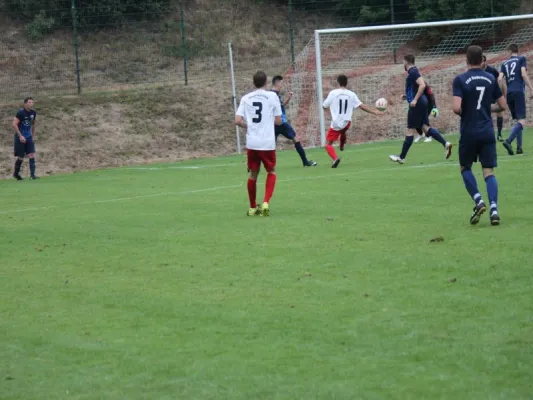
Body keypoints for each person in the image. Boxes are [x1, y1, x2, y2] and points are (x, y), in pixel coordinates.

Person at [452, 45, 507, 226]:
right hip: (487, 131)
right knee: (488, 172)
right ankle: (494, 209)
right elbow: (502, 106)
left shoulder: (460, 80)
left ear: (466, 60)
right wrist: (486, 108)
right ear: (482, 60)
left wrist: (469, 111)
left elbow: (456, 108)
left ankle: (478, 200)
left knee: (465, 168)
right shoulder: (490, 78)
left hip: (469, 131)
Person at [389, 55, 452, 164]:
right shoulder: (412, 72)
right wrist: (407, 96)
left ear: (406, 61)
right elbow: (416, 87)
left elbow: (422, 85)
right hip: (421, 103)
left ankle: (402, 157)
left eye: (403, 62)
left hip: (417, 105)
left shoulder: (413, 71)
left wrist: (414, 100)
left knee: (410, 129)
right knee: (426, 128)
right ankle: (446, 144)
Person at [235, 71, 282, 217]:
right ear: (266, 82)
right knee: (271, 171)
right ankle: (266, 202)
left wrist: (248, 126)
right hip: (267, 142)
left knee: (253, 174)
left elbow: (237, 120)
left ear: (253, 83)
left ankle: (253, 207)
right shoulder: (272, 96)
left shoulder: (246, 98)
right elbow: (279, 121)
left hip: (252, 143)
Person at [322, 74, 383, 168]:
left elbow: (324, 106)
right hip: (347, 122)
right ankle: (342, 145)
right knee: (343, 131)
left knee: (328, 144)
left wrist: (329, 111)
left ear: (338, 83)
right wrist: (374, 112)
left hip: (336, 123)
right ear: (346, 83)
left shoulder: (333, 93)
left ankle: (335, 159)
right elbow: (361, 106)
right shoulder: (351, 94)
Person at [271, 76, 317, 167]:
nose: (282, 85)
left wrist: (288, 98)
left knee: (270, 145)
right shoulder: (274, 95)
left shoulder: (272, 94)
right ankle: (305, 162)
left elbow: (281, 106)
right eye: (281, 83)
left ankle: (257, 165)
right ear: (277, 83)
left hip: (273, 123)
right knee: (295, 139)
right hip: (281, 122)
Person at [498, 44, 533, 155]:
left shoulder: (504, 63)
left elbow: (499, 79)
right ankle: (508, 141)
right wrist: (531, 88)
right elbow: (523, 74)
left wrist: (501, 93)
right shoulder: (521, 59)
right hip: (518, 92)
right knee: (522, 121)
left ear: (509, 51)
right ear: (517, 51)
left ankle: (519, 148)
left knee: (518, 120)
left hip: (509, 94)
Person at [13, 97, 38, 180]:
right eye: (29, 102)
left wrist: (32, 136)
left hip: (29, 137)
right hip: (20, 137)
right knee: (20, 156)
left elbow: (34, 124)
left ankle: (32, 175)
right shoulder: (20, 113)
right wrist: (20, 136)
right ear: (25, 104)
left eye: (32, 102)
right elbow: (14, 124)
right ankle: (16, 174)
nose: (31, 104)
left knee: (32, 154)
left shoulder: (33, 113)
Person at [482, 55, 505, 142]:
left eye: (482, 61)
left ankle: (499, 134)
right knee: (486, 114)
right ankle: (487, 134)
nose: (481, 63)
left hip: (493, 95)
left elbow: (501, 80)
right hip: (484, 96)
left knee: (499, 113)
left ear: (485, 62)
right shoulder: (478, 71)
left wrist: (502, 94)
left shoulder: (492, 70)